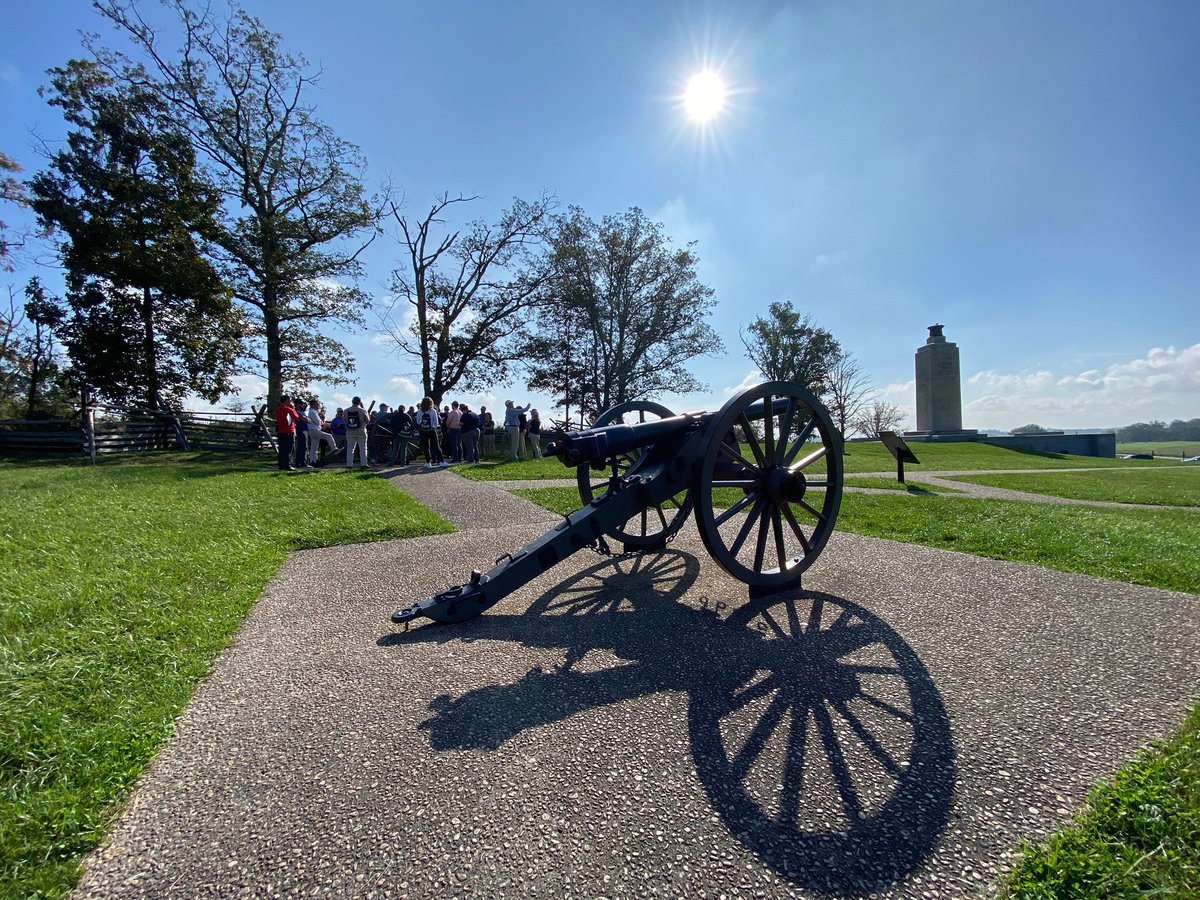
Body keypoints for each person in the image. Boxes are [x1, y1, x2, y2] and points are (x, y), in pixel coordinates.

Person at [274, 395, 305, 471]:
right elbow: (297, 417)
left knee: (281, 449)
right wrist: (292, 409)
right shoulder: (289, 409)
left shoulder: (278, 410)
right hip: (288, 431)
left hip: (280, 431)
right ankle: (287, 464)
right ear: (287, 400)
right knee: (288, 449)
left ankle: (281, 465)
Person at [416, 397, 447, 469]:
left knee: (426, 447)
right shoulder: (433, 411)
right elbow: (436, 422)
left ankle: (428, 462)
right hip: (431, 430)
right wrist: (433, 427)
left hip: (423, 431)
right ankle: (441, 461)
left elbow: (418, 421)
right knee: (436, 446)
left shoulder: (420, 411)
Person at [306, 398, 337, 465]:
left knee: (314, 447)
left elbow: (319, 422)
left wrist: (320, 421)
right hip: (315, 430)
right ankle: (334, 449)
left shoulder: (313, 412)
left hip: (313, 430)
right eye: (317, 404)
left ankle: (313, 460)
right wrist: (321, 421)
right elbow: (318, 422)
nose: (318, 406)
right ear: (313, 405)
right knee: (329, 436)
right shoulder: (312, 412)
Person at [344, 396, 370, 468]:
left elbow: (345, 421)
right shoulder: (362, 410)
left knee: (350, 448)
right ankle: (364, 464)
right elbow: (367, 421)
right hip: (361, 431)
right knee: (363, 448)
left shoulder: (346, 411)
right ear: (359, 402)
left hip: (350, 431)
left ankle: (349, 464)